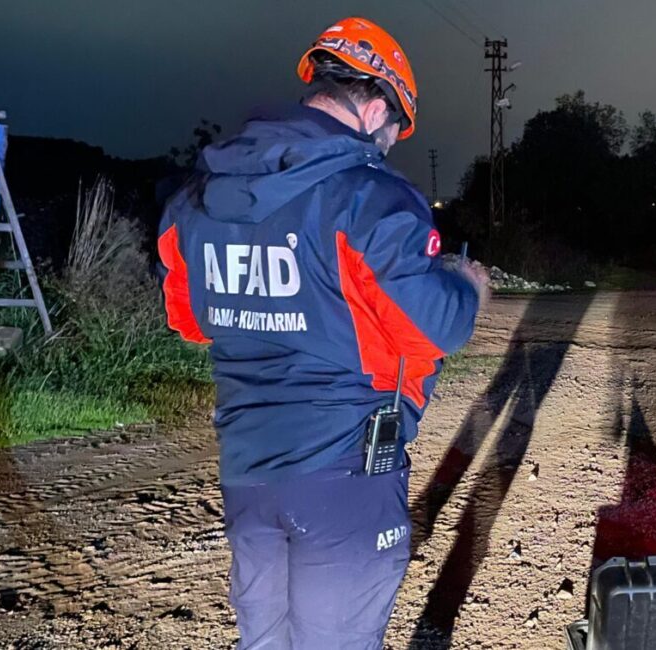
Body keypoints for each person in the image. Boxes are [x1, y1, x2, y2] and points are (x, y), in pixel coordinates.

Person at [157, 17, 488, 649]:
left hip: (247, 469)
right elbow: (434, 327)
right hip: (344, 475)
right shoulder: (369, 197)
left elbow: (189, 320)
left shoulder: (196, 200)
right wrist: (467, 287)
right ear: (375, 109)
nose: (386, 147)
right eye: (392, 134)